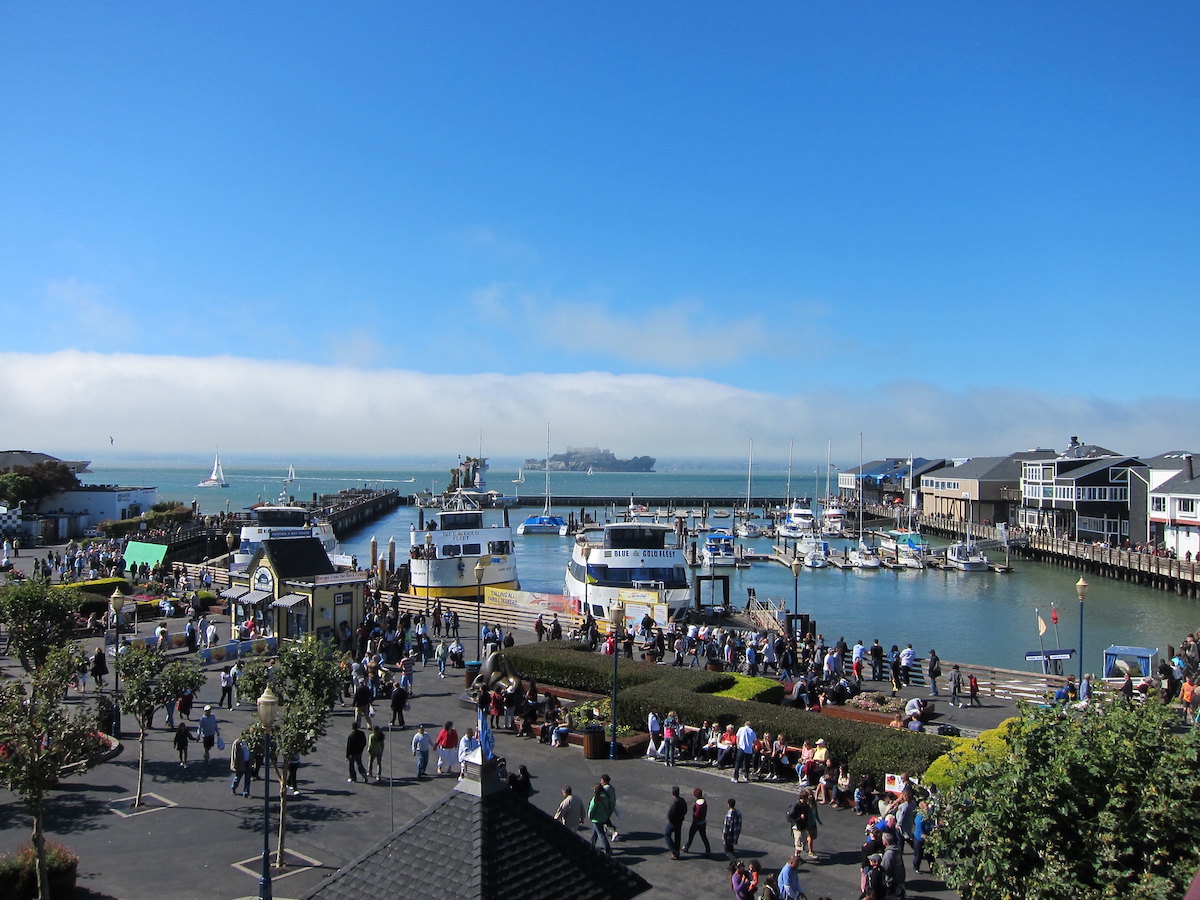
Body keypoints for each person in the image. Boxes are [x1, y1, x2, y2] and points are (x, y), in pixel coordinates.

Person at [683, 787, 711, 855]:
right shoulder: (704, 802)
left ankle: (686, 847)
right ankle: (708, 850)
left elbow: (696, 815)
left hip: (696, 823)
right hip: (703, 822)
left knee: (691, 836)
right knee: (704, 837)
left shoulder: (698, 804)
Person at [588, 782, 614, 856]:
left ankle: (608, 850)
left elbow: (591, 811)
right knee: (595, 832)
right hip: (604, 818)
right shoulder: (605, 797)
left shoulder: (595, 800)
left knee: (601, 835)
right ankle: (591, 844)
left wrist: (591, 817)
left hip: (597, 820)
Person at [664, 785, 687, 859]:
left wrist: (669, 819)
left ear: (673, 793)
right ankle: (677, 852)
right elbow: (685, 810)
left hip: (673, 822)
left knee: (667, 834)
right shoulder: (682, 800)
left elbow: (671, 813)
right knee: (677, 836)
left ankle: (674, 851)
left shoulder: (674, 802)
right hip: (680, 821)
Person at [722, 797, 742, 862]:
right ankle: (732, 866)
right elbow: (739, 824)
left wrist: (724, 836)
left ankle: (735, 862)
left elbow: (726, 827)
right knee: (731, 849)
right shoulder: (738, 812)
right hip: (735, 835)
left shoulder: (728, 815)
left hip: (729, 836)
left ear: (728, 805)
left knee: (727, 851)